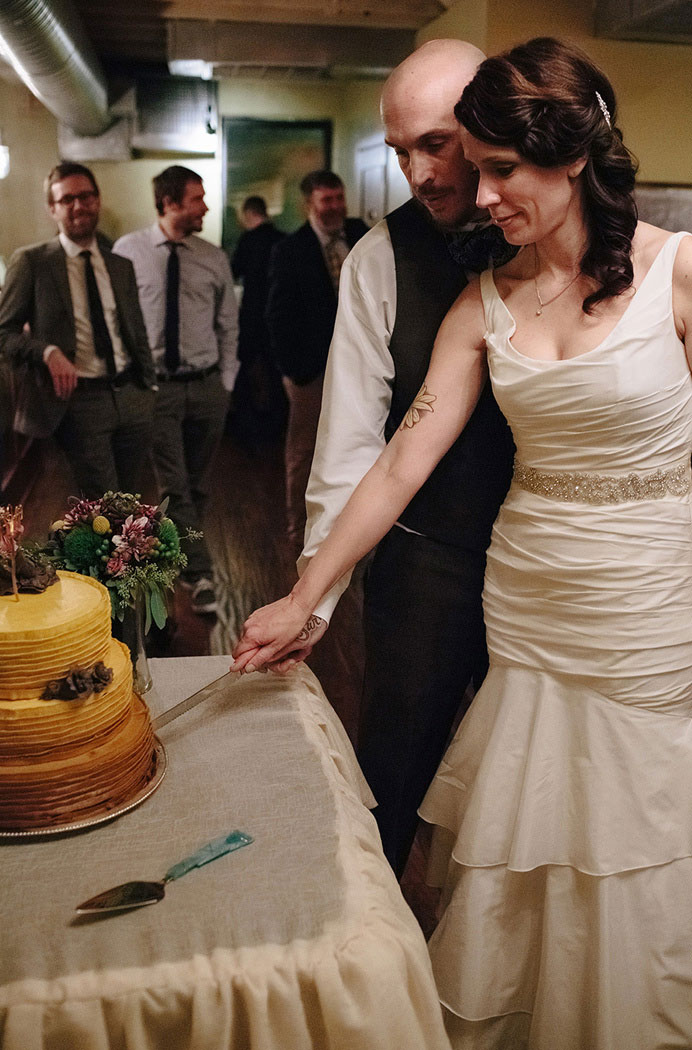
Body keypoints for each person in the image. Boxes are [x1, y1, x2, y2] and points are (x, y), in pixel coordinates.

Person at [233, 36, 692, 1049]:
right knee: (522, 841)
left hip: (646, 602)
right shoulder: (478, 303)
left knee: (643, 827)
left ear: (570, 155)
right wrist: (308, 594)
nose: (471, 195)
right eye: (465, 167)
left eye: (497, 169)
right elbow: (395, 462)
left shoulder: (679, 272)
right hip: (528, 602)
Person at [300, 40, 516, 877]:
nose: (417, 174)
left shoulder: (573, 246)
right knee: (390, 777)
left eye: (436, 143)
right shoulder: (377, 259)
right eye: (399, 152)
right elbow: (351, 444)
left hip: (554, 572)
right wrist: (316, 595)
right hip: (424, 566)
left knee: (523, 788)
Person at [113, 165, 239, 614]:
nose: (206, 206)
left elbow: (228, 324)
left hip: (206, 387)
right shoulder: (127, 252)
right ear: (169, 203)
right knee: (175, 482)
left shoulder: (213, 257)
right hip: (157, 389)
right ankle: (201, 573)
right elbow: (116, 319)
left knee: (198, 485)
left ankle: (171, 556)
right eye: (197, 198)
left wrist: (226, 382)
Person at [0, 161, 156, 497]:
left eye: (86, 196)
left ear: (97, 200)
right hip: (81, 402)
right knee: (104, 508)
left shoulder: (119, 264)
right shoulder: (32, 262)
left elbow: (135, 331)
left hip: (131, 396)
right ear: (52, 209)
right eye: (67, 200)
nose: (78, 206)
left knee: (133, 504)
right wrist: (46, 351)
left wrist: (149, 388)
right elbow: (1, 332)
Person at [266, 170, 368, 552]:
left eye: (339, 197)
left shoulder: (361, 234)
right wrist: (296, 373)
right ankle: (301, 529)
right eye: (327, 200)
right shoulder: (289, 250)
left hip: (361, 366)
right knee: (305, 451)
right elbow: (276, 317)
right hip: (312, 369)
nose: (336, 207)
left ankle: (351, 526)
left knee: (357, 443)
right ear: (309, 204)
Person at [230, 196, 286, 450]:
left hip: (252, 315)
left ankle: (244, 423)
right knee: (276, 372)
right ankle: (278, 424)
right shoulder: (283, 240)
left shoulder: (247, 240)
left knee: (242, 368)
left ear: (248, 214)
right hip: (278, 317)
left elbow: (234, 273)